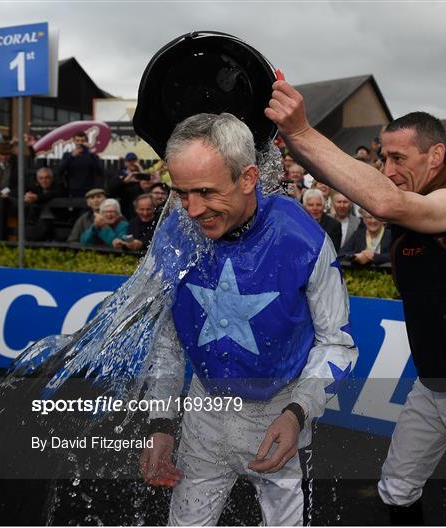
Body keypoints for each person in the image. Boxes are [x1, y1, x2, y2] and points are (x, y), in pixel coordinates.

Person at [265, 80, 446, 526]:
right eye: (383, 157)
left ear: (435, 157)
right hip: (433, 386)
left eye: (399, 158)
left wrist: (304, 131)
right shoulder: (410, 199)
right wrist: (287, 133)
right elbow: (341, 176)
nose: (388, 167)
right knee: (396, 490)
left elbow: (383, 199)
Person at [139, 113, 357, 526]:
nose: (193, 209)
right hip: (204, 412)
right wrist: (162, 422)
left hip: (279, 413)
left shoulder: (304, 240)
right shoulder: (174, 235)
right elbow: (165, 340)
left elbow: (338, 343)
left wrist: (297, 413)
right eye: (181, 193)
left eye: (205, 191)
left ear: (248, 177)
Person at [24, 167, 66, 242]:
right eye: (41, 178)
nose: (44, 181)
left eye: (47, 178)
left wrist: (37, 197)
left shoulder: (59, 186)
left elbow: (53, 194)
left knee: (43, 225)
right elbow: (25, 192)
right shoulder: (35, 188)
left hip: (57, 220)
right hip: (37, 220)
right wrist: (27, 195)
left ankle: (32, 246)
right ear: (38, 180)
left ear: (52, 178)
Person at [58, 131, 103, 197]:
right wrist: (72, 156)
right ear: (74, 141)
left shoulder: (92, 156)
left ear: (86, 142)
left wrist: (91, 153)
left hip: (90, 189)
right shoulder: (67, 155)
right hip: (73, 189)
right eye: (77, 140)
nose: (80, 143)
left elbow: (100, 171)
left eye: (82, 141)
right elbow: (60, 170)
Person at [0, 142, 17, 240]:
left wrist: (6, 192)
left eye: (6, 154)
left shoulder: (15, 166)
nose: (4, 157)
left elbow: (16, 184)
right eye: (2, 154)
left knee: (2, 204)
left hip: (9, 197)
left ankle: (1, 240)